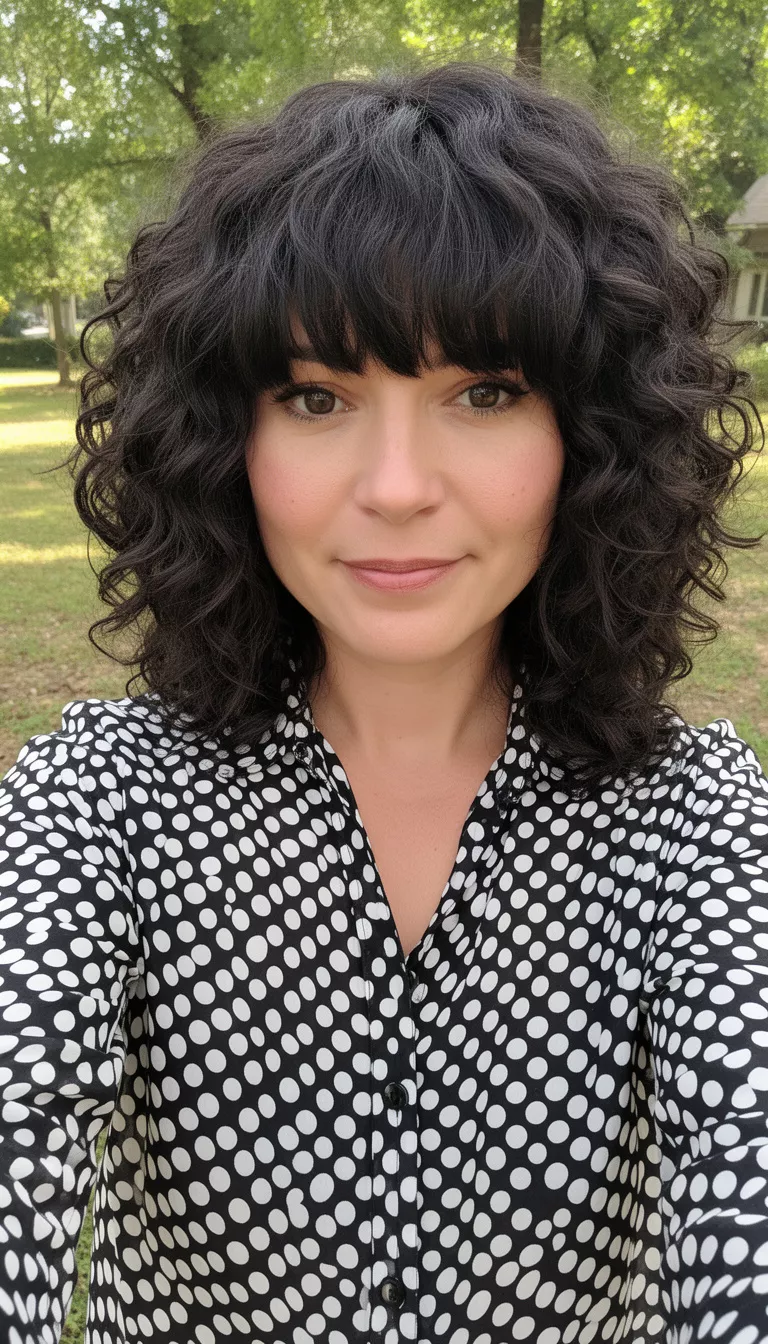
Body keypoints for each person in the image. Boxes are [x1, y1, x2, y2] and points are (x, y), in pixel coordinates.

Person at [1, 60, 767, 1344]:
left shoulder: (693, 827)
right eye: (316, 398)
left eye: (484, 393)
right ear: (216, 440)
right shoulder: (104, 806)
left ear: (592, 436)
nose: (398, 485)